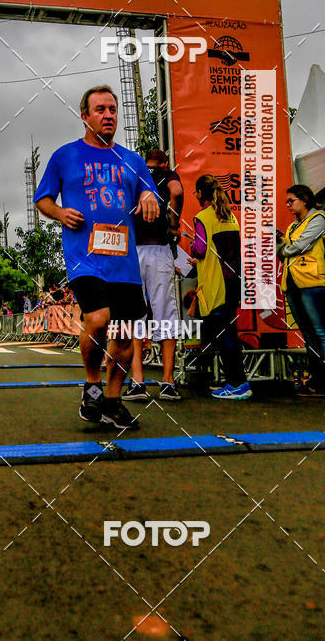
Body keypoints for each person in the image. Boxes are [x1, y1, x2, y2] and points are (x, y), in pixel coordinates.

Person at [34, 84, 159, 429]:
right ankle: (92, 384)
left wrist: (150, 196)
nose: (108, 115)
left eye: (112, 109)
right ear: (85, 116)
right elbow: (43, 199)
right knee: (99, 318)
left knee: (122, 336)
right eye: (100, 110)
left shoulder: (132, 160)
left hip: (125, 262)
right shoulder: (65, 156)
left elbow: (152, 193)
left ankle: (113, 401)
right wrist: (59, 213)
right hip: (84, 258)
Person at [124, 148, 184, 403]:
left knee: (135, 314)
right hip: (160, 248)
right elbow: (177, 192)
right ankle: (168, 382)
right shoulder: (166, 173)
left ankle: (138, 381)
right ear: (165, 161)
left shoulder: (133, 173)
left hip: (133, 249)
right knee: (165, 313)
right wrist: (173, 221)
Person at [279, 184, 325, 401]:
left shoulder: (318, 218)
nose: (288, 205)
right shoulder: (294, 225)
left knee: (321, 334)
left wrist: (283, 248)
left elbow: (301, 246)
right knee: (309, 336)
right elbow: (293, 245)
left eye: (292, 200)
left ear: (305, 199)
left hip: (312, 282)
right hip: (294, 284)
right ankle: (320, 382)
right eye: (287, 201)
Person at [189, 174, 251, 400]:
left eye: (195, 192)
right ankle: (235, 381)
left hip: (216, 283)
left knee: (225, 335)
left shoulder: (202, 217)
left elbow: (201, 248)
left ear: (199, 194)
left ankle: (238, 384)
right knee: (229, 333)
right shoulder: (230, 216)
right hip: (234, 281)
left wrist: (193, 249)